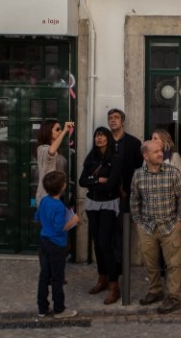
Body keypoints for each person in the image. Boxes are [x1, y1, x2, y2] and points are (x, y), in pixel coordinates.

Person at [130, 140, 181, 314]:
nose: (160, 154)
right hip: (147, 227)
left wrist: (179, 221)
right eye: (155, 151)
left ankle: (173, 297)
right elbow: (134, 200)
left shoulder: (173, 173)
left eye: (161, 150)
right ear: (145, 156)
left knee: (173, 265)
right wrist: (137, 221)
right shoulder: (138, 175)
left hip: (170, 226)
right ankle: (155, 291)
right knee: (150, 264)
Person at [79, 127, 124, 305]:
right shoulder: (91, 157)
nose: (99, 138)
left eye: (102, 135)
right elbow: (83, 181)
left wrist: (94, 182)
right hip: (92, 204)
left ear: (108, 138)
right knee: (97, 244)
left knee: (106, 244)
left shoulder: (116, 158)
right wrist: (98, 180)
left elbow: (112, 185)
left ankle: (114, 286)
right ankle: (102, 278)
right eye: (97, 135)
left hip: (109, 204)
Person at [35, 170, 80, 319]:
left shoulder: (43, 200)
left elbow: (38, 217)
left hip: (43, 240)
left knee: (44, 275)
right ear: (62, 187)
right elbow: (60, 227)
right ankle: (59, 309)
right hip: (56, 244)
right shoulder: (59, 206)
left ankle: (42, 308)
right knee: (57, 278)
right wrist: (73, 221)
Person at [108, 109, 143, 212]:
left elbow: (138, 166)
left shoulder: (134, 142)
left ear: (122, 121)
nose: (113, 120)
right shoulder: (103, 141)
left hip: (127, 191)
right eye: (110, 118)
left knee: (124, 223)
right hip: (107, 191)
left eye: (116, 117)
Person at [35, 119, 73, 208]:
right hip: (47, 197)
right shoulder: (42, 149)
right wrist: (64, 131)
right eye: (57, 129)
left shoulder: (58, 150)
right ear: (48, 131)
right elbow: (50, 151)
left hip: (59, 195)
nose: (60, 131)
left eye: (60, 129)